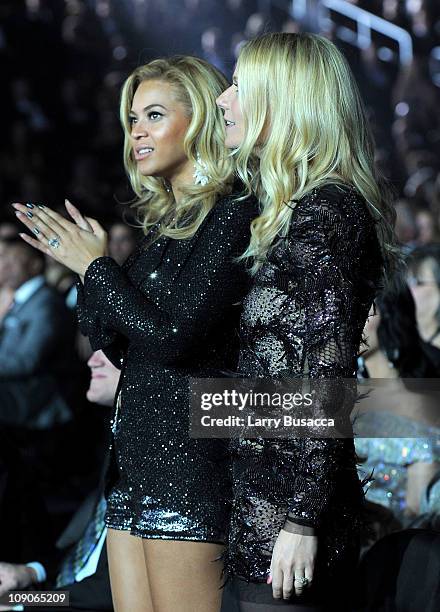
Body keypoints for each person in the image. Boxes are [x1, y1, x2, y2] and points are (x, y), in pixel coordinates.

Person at [12, 55, 258, 612]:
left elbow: (172, 336)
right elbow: (111, 338)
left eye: (152, 115)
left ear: (197, 122)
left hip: (189, 465)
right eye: (131, 120)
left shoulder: (233, 215)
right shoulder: (167, 226)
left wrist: (97, 270)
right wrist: (88, 268)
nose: (137, 133)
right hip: (132, 466)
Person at [216, 32, 397, 611]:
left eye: (241, 86)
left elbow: (324, 375)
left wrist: (301, 520)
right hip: (263, 501)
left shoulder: (328, 211)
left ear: (284, 100)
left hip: (289, 517)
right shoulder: (299, 209)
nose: (224, 99)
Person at [0, 350, 121, 612]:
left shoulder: (164, 452)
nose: (92, 360)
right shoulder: (121, 441)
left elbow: (104, 593)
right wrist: (30, 573)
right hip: (57, 590)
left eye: (112, 350)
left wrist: (22, 604)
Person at [354, 282, 440, 531]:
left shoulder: (418, 399)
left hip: (392, 545)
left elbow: (417, 512)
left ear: (388, 313)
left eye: (363, 310)